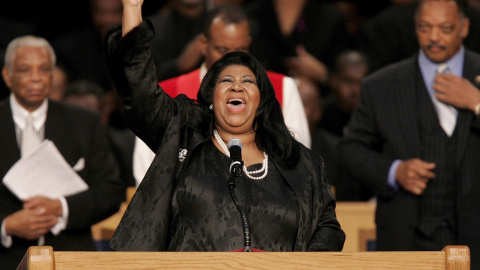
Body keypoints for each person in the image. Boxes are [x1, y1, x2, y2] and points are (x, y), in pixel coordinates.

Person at [105, 0, 345, 252]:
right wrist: (132, 7)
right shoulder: (183, 138)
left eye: (248, 81)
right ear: (210, 98)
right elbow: (140, 91)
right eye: (226, 80)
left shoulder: (301, 162)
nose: (237, 86)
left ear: (262, 101)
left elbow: (327, 227)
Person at [338, 0, 480, 267]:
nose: (434, 37)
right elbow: (350, 149)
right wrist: (393, 171)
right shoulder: (381, 85)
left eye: (445, 28)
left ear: (464, 27)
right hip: (405, 241)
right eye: (425, 27)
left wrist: (477, 103)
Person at [132, 4, 311, 185]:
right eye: (223, 50)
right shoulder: (167, 92)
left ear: (249, 44)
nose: (231, 59)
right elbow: (146, 168)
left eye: (240, 50)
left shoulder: (281, 88)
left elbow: (297, 158)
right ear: (203, 45)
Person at [0, 35, 124, 269]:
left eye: (44, 69)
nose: (36, 78)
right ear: (8, 76)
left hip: (70, 258)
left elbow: (111, 191)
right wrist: (5, 226)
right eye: (25, 70)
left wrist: (61, 207)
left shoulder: (84, 122)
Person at [320, 50, 369, 137]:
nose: (356, 90)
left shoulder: (374, 117)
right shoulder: (320, 115)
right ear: (334, 80)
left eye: (362, 82)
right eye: (349, 81)